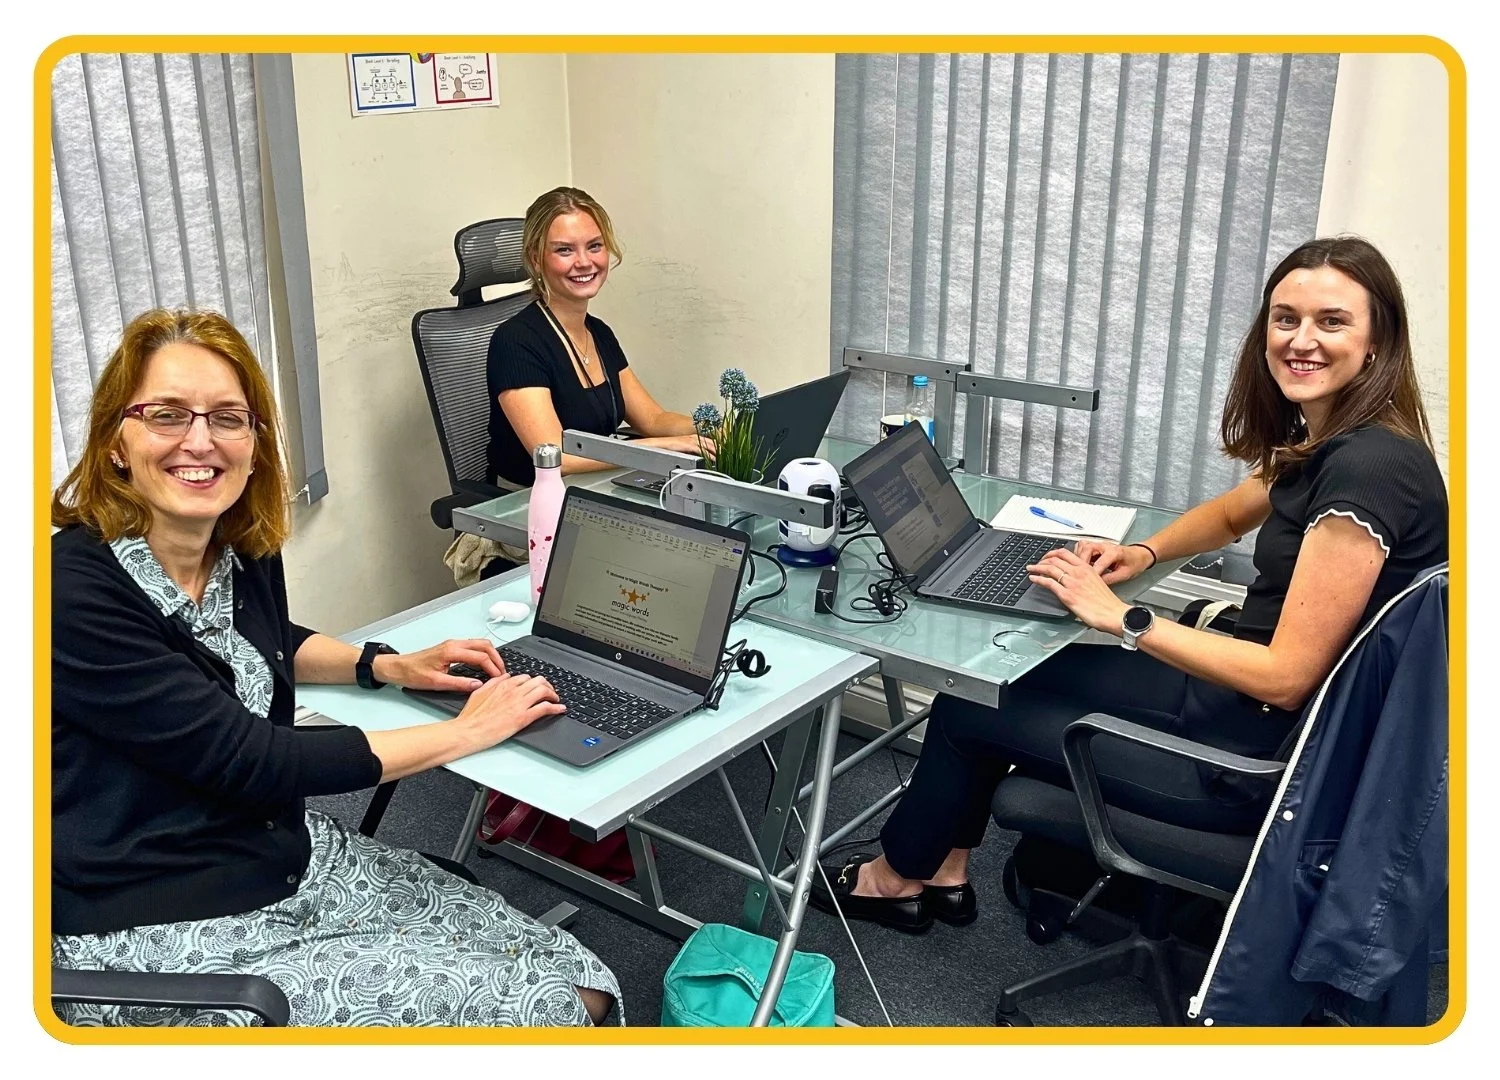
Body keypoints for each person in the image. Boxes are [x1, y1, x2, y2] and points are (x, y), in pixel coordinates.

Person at [811, 235, 1448, 934]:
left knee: (967, 713)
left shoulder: (1368, 472)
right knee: (997, 682)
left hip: (1246, 761)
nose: (1301, 340)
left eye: (1332, 321)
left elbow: (1286, 676)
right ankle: (946, 871)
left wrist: (1123, 619)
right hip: (1236, 711)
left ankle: (894, 880)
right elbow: (1235, 512)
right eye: (1284, 317)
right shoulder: (1340, 440)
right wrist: (1142, 552)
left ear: (1377, 340)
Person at [51, 309, 622, 1026]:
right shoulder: (73, 591)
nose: (200, 440)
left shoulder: (235, 545)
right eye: (166, 415)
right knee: (541, 1012)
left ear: (255, 444)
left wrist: (387, 666)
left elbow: (264, 641)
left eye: (229, 418)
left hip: (279, 856)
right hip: (162, 923)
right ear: (115, 443)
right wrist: (469, 732)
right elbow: (253, 761)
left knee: (577, 979)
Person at [486, 186, 703, 489]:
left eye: (594, 246)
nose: (584, 262)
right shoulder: (515, 342)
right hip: (532, 506)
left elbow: (653, 419)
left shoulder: (598, 332)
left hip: (597, 489)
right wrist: (666, 447)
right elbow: (556, 457)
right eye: (565, 250)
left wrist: (711, 429)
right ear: (536, 260)